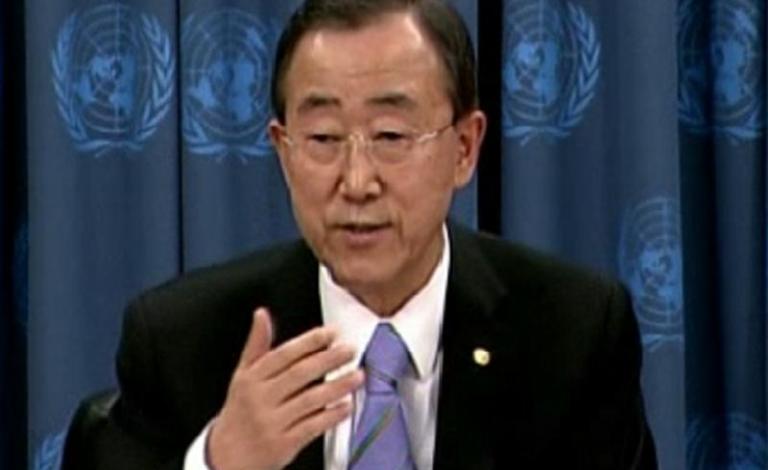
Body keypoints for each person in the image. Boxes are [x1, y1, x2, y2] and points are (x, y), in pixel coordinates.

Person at [62, 0, 657, 468]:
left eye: (391, 136)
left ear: (464, 148)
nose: (356, 182)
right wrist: (221, 464)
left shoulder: (572, 334)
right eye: (323, 138)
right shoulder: (182, 343)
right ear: (283, 151)